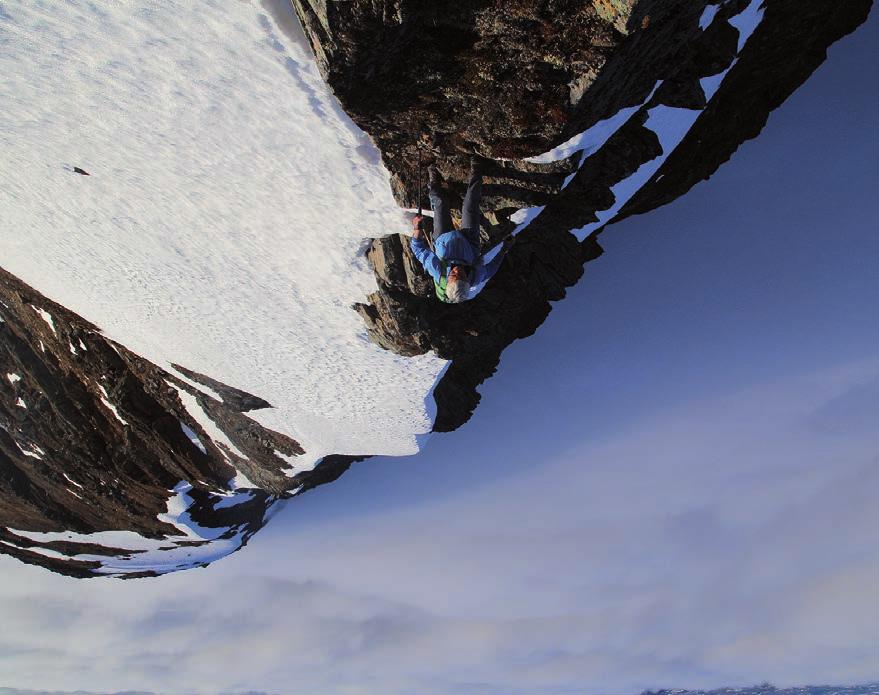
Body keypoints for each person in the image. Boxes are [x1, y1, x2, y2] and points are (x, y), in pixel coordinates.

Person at [410, 158, 513, 303]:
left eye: (453, 275)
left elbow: (419, 250)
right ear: (468, 282)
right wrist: (504, 249)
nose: (457, 271)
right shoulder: (476, 277)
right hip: (469, 242)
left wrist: (416, 228)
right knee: (470, 206)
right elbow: (492, 269)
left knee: (439, 202)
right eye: (462, 275)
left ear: (448, 280)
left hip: (443, 241)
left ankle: (433, 179)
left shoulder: (439, 273)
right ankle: (477, 170)